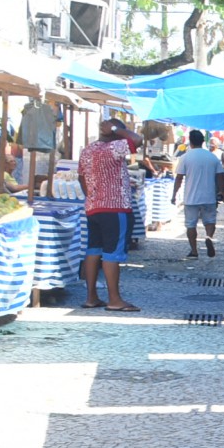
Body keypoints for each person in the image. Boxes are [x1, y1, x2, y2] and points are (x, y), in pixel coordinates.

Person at [77, 118, 137, 311]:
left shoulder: (88, 150)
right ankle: (114, 299)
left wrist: (93, 196)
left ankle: (91, 296)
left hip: (93, 207)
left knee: (93, 249)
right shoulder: (114, 147)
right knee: (112, 252)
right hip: (115, 207)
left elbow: (81, 177)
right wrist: (117, 129)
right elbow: (138, 140)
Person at [171, 128, 224, 259]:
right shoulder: (212, 157)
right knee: (210, 221)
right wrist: (222, 193)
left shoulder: (185, 157)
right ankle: (208, 237)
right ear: (202, 141)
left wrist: (174, 194)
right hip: (209, 196)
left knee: (191, 224)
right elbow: (220, 177)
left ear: (190, 142)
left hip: (191, 197)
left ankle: (194, 251)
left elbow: (179, 178)